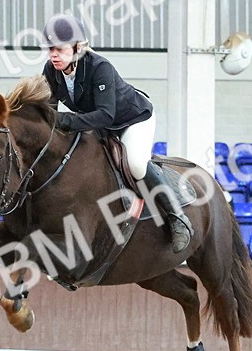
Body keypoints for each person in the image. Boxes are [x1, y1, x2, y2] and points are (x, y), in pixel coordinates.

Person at [40, 13, 192, 252]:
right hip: (97, 126)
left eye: (59, 49)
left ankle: (178, 218)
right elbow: (48, 113)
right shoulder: (51, 70)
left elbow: (106, 114)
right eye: (50, 49)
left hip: (131, 120)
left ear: (78, 47)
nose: (53, 55)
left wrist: (66, 120)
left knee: (136, 165)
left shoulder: (100, 67)